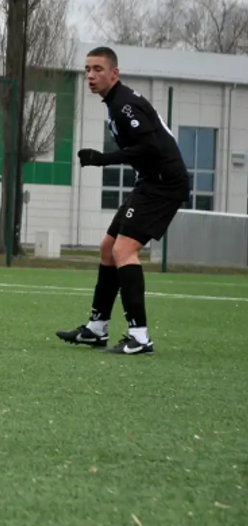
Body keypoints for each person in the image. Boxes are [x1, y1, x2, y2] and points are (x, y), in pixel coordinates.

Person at [57, 46, 189, 355]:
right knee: (107, 248)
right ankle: (96, 328)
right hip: (150, 182)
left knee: (123, 250)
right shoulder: (115, 102)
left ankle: (140, 337)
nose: (91, 75)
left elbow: (150, 149)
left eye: (98, 69)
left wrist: (103, 159)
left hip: (164, 185)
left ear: (114, 73)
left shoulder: (124, 105)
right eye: (87, 69)